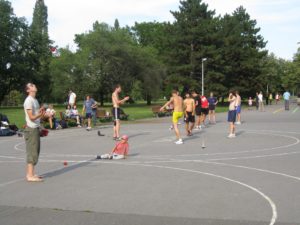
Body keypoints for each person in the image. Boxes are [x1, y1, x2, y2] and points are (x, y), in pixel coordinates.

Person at [23, 83, 46, 182]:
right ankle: (29, 176)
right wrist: (39, 114)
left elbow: (35, 115)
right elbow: (32, 117)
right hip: (31, 129)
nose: (34, 86)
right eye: (31, 85)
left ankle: (31, 173)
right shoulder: (28, 101)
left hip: (35, 128)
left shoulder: (35, 100)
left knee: (35, 151)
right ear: (28, 90)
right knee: (32, 152)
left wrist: (42, 113)